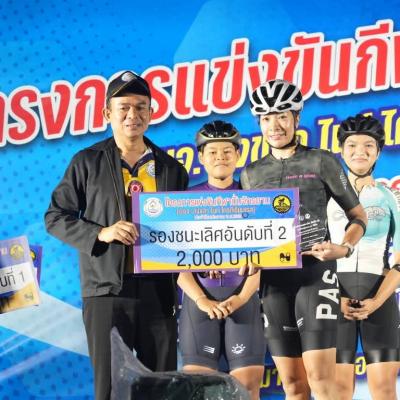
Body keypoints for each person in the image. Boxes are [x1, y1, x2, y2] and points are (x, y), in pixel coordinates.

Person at [45, 70, 188, 400]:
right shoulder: (86, 162)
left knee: (161, 388)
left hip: (159, 293)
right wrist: (101, 233)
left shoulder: (171, 168)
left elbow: (184, 231)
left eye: (140, 107)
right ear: (107, 113)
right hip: (106, 292)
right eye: (123, 107)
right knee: (109, 388)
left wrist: (209, 258)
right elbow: (55, 217)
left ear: (151, 113)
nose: (132, 115)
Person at [240, 79, 367, 400]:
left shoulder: (321, 160)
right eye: (266, 118)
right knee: (293, 386)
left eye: (282, 116)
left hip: (315, 275)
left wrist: (344, 247)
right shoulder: (250, 173)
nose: (274, 126)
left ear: (296, 118)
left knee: (321, 381)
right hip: (273, 282)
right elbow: (246, 233)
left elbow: (359, 217)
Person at [177, 120, 265, 400]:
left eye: (227, 151)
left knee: (247, 388)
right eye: (212, 152)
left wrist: (241, 298)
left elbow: (262, 257)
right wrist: (201, 299)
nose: (220, 157)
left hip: (243, 299)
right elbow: (173, 262)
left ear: (238, 155)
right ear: (201, 157)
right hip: (198, 302)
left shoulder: (254, 198)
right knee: (197, 389)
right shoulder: (183, 200)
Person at [327, 114, 400, 400]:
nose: (360, 151)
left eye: (368, 145)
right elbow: (313, 256)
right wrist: (336, 298)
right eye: (352, 145)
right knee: (338, 391)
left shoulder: (391, 197)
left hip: (379, 296)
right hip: (333, 297)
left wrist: (376, 301)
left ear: (378, 152)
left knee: (384, 390)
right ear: (341, 151)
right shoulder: (326, 197)